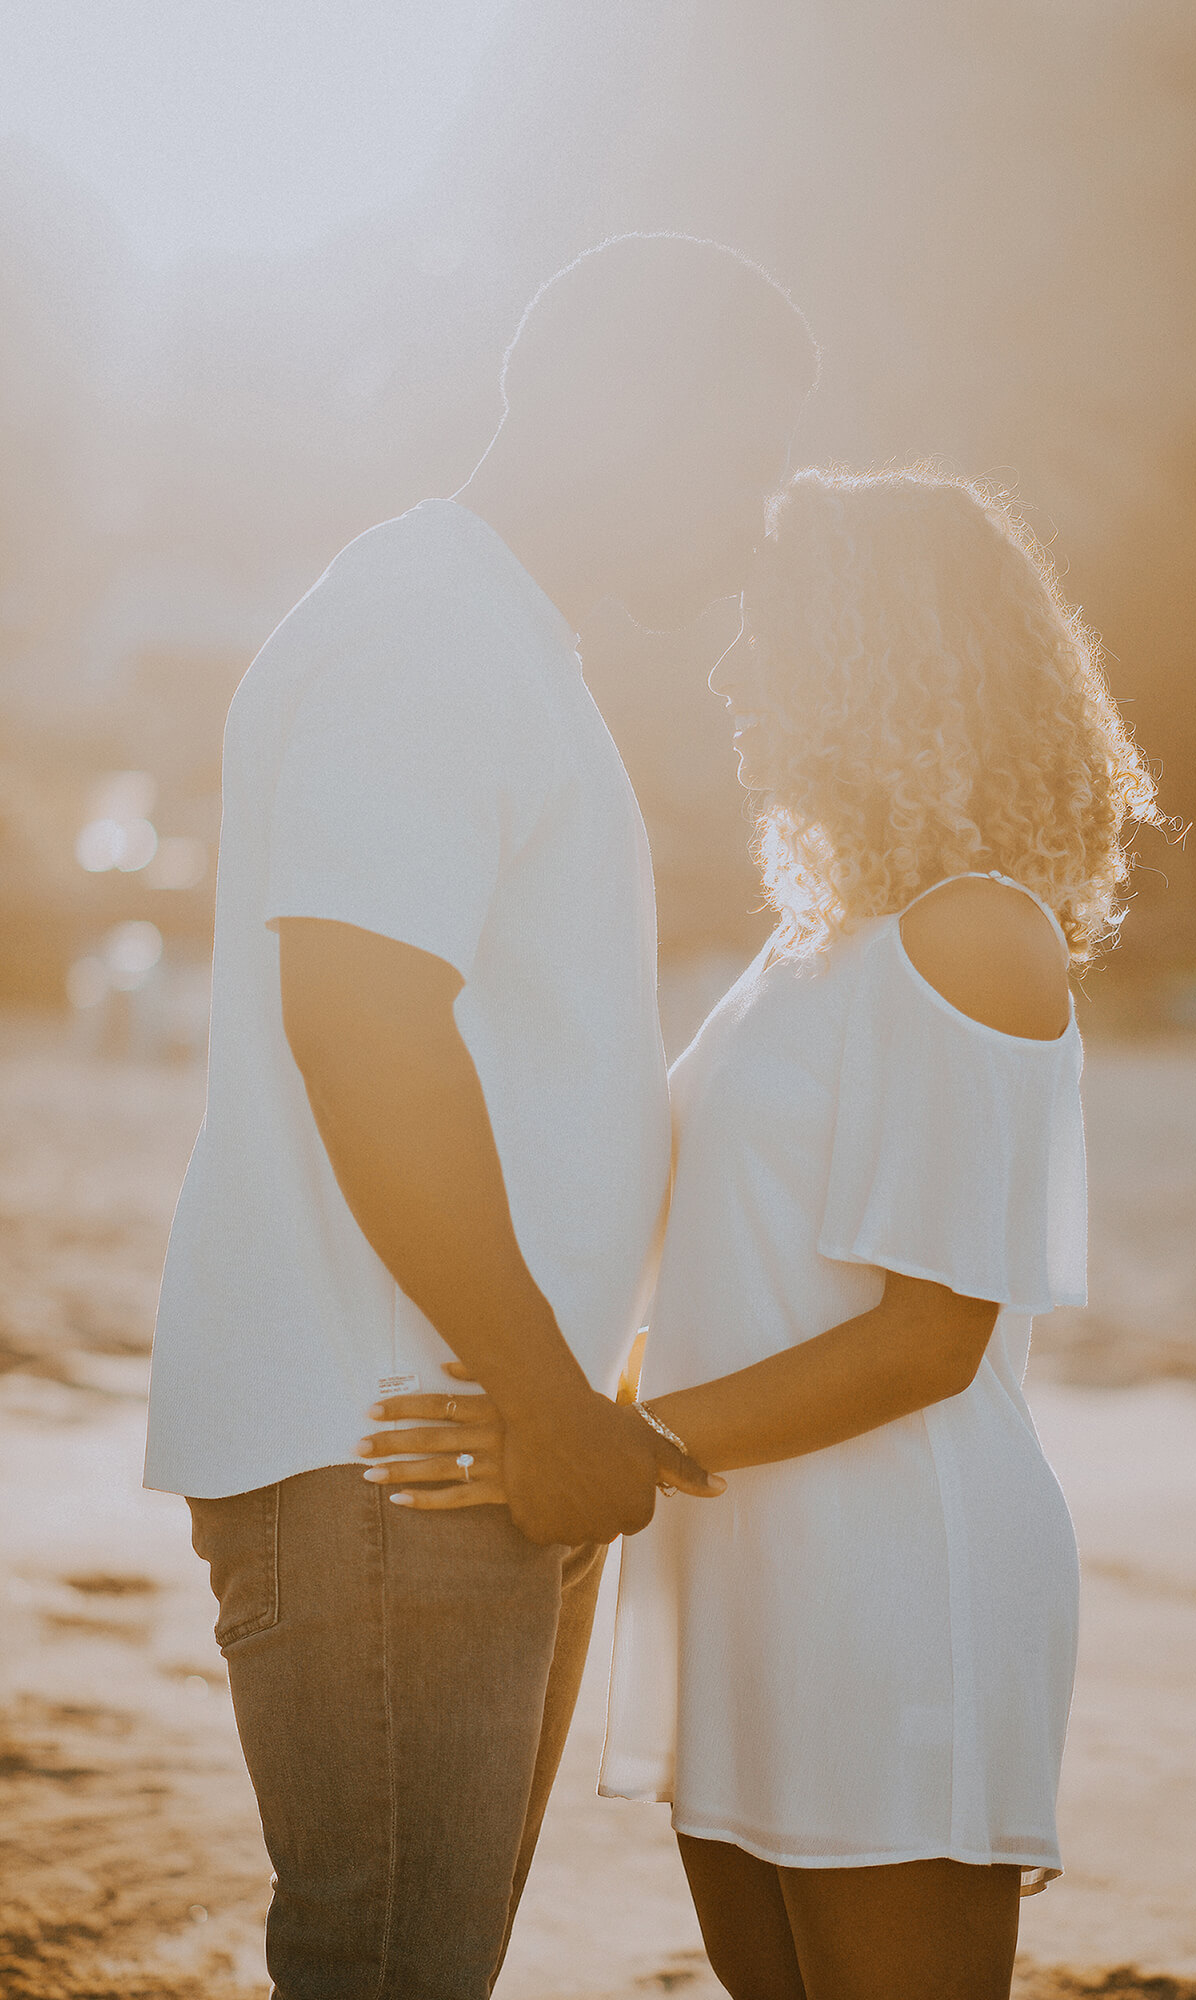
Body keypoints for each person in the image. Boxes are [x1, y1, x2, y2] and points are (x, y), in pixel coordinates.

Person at [375, 466, 1162, 1998]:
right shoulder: (826, 943)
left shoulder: (971, 928)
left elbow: (932, 1342)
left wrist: (603, 1438)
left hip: (892, 1583)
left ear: (880, 648)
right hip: (748, 1563)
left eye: (767, 628)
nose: (730, 667)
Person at [143, 233, 818, 2000]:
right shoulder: (430, 629)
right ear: (629, 417)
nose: (755, 527)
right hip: (406, 1448)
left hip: (460, 1442)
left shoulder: (495, 633)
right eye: (743, 464)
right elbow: (361, 1023)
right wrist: (538, 1391)